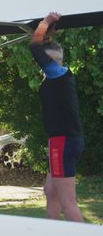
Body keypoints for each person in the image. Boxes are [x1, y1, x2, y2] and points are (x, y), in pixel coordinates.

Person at [29, 12, 85, 222]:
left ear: (49, 59)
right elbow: (41, 45)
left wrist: (47, 21)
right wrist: (49, 33)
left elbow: (34, 45)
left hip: (62, 142)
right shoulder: (61, 74)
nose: (38, 62)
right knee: (50, 191)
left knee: (67, 201)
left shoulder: (55, 73)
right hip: (66, 140)